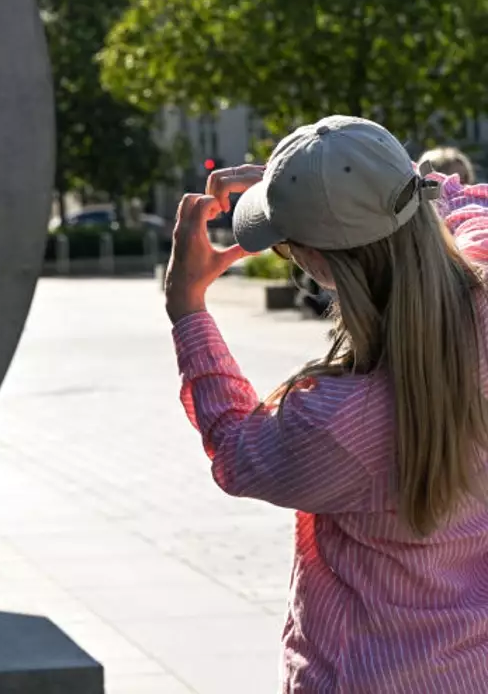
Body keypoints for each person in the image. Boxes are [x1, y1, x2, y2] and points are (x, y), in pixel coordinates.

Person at [163, 115, 488, 692]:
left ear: (315, 264)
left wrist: (188, 310)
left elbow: (237, 450)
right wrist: (350, 186)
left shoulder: (336, 419)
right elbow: (459, 202)